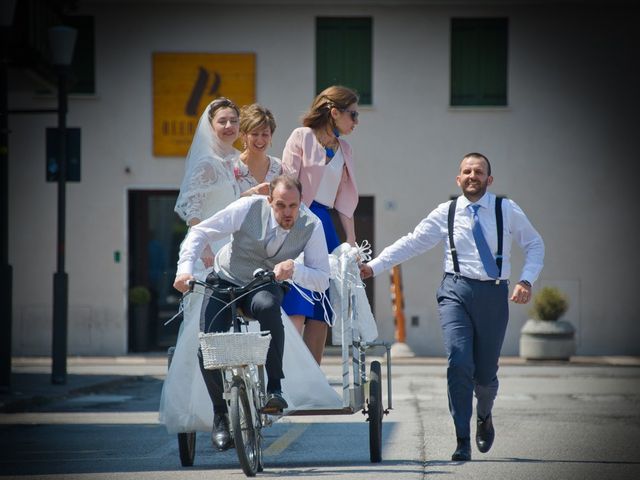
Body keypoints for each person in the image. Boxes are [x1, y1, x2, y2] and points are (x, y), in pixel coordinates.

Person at [360, 153, 545, 462]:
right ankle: (462, 438)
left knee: (485, 375)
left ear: (489, 179)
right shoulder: (446, 213)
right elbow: (413, 241)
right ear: (458, 179)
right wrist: (375, 266)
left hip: (494, 295)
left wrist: (526, 280)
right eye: (466, 171)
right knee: (458, 362)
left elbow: (535, 244)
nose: (472, 175)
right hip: (455, 291)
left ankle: (483, 414)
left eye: (479, 171)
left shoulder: (506, 209)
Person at [173, 175, 331, 451]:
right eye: (281, 205)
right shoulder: (247, 209)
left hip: (264, 286)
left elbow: (322, 279)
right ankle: (221, 415)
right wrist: (184, 270)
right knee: (207, 345)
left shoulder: (311, 225)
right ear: (269, 201)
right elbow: (201, 233)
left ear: (301, 203)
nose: (287, 213)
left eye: (293, 206)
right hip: (227, 280)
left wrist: (294, 268)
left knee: (270, 306)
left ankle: (275, 389)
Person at [281, 85, 360, 364]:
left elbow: (345, 200)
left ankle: (312, 378)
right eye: (352, 114)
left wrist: (351, 242)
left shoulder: (345, 149)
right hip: (297, 221)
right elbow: (287, 183)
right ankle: (288, 378)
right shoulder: (301, 136)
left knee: (321, 308)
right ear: (334, 112)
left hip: (325, 225)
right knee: (297, 301)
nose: (356, 122)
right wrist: (287, 224)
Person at [235, 103, 283, 197]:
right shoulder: (232, 167)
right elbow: (225, 204)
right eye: (254, 134)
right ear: (244, 135)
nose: (260, 140)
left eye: (265, 134)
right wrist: (252, 192)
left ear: (271, 136)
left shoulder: (279, 167)